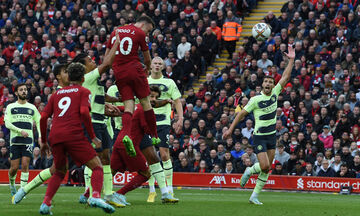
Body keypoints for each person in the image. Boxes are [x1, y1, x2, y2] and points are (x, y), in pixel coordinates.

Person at [37, 63, 115, 214]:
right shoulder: (83, 91)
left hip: (55, 136)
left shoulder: (56, 94)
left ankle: (46, 204)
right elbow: (85, 113)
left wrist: (44, 142)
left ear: (69, 77)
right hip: (73, 135)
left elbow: (44, 117)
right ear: (83, 77)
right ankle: (96, 196)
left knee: (59, 171)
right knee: (97, 166)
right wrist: (93, 137)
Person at [223, 45, 295, 205]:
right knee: (263, 165)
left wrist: (291, 59)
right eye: (266, 82)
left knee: (267, 168)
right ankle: (249, 170)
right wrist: (230, 129)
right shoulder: (255, 99)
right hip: (260, 137)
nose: (269, 84)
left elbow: (286, 77)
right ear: (262, 85)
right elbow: (241, 114)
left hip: (271, 136)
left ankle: (254, 196)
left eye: (271, 81)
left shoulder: (276, 92)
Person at [73, 34, 123, 207]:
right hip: (92, 124)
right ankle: (92, 193)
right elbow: (107, 63)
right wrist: (117, 42)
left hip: (100, 122)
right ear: (82, 66)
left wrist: (114, 102)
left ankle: (106, 194)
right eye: (90, 60)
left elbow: (101, 96)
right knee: (95, 160)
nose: (93, 61)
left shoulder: (92, 80)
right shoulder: (86, 78)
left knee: (105, 158)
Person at [109, 86, 178, 204]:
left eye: (156, 97)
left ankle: (89, 195)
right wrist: (154, 134)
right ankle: (119, 194)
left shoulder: (134, 107)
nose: (154, 99)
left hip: (119, 141)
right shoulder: (144, 110)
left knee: (110, 172)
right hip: (130, 143)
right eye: (152, 96)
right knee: (146, 173)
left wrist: (107, 108)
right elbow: (146, 127)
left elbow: (120, 110)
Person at [12, 64, 70, 204]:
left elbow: (43, 118)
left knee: (60, 168)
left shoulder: (66, 90)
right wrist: (42, 139)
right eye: (65, 71)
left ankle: (92, 195)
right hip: (66, 133)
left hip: (68, 132)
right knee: (58, 168)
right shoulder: (62, 92)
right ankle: (96, 195)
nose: (68, 73)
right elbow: (43, 117)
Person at [105, 15, 160, 158]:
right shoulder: (140, 33)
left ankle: (127, 134)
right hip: (135, 70)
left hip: (119, 72)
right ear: (144, 24)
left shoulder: (115, 32)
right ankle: (154, 135)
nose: (148, 34)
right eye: (149, 30)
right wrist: (147, 69)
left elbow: (107, 59)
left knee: (129, 105)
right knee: (146, 103)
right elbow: (147, 58)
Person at [146, 57, 183, 202]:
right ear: (150, 66)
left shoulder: (169, 82)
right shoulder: (145, 82)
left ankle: (170, 190)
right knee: (149, 156)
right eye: (154, 63)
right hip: (146, 122)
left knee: (164, 155)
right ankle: (151, 190)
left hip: (163, 122)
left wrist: (180, 118)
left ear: (163, 67)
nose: (157, 65)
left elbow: (178, 101)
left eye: (160, 63)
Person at [5, 83, 41, 196]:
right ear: (16, 93)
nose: (24, 91)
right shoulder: (11, 107)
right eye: (21, 90)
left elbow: (39, 121)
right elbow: (7, 123)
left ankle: (22, 191)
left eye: (25, 90)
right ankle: (12, 184)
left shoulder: (32, 107)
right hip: (15, 140)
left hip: (28, 140)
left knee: (25, 164)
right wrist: (20, 131)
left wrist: (40, 136)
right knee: (14, 168)